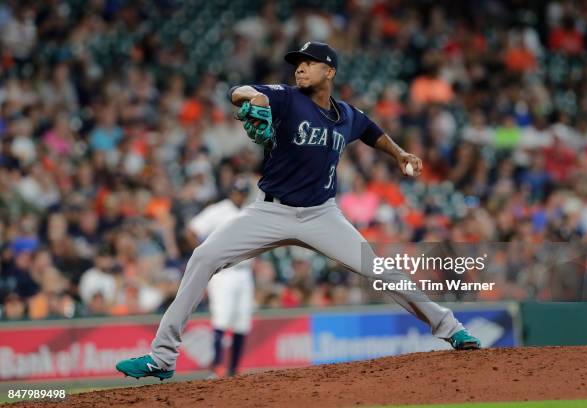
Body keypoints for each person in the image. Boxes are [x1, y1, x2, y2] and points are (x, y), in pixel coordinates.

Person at [116, 41, 480, 380]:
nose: (300, 69)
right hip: (269, 213)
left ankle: (451, 328)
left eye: (309, 63)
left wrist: (399, 153)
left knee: (380, 271)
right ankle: (162, 358)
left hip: (322, 215)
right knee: (203, 256)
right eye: (298, 64)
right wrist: (253, 98)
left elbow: (371, 131)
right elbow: (238, 92)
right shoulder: (286, 98)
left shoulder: (347, 115)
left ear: (330, 72)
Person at [186, 177, 254, 377]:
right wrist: (204, 255)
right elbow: (192, 229)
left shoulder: (250, 211)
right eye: (236, 191)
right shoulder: (219, 210)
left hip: (245, 272)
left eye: (242, 192)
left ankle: (234, 369)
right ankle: (217, 367)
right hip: (224, 273)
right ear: (230, 191)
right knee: (222, 319)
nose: (239, 195)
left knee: (242, 321)